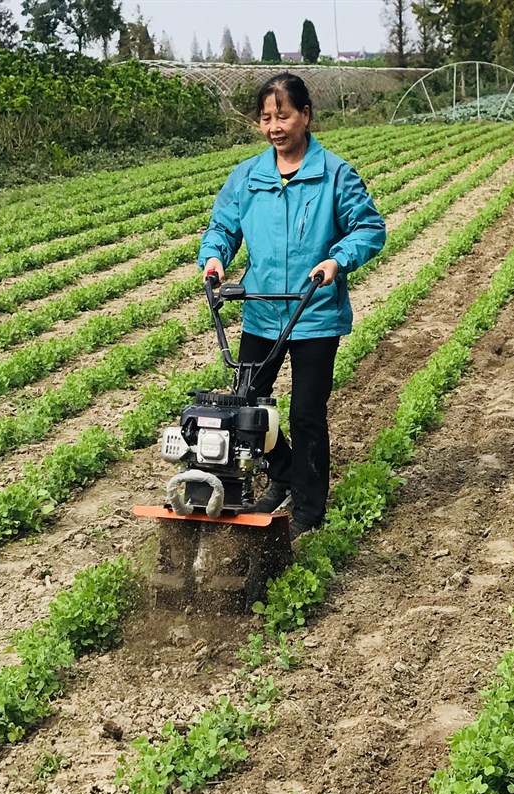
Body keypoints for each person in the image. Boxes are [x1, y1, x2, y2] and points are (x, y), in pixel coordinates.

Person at [197, 72, 386, 538]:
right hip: (262, 310)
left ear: (305, 115)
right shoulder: (248, 177)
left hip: (313, 311)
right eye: (266, 118)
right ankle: (281, 474)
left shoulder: (335, 174)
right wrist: (215, 256)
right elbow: (222, 227)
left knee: (305, 414)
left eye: (282, 116)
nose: (274, 127)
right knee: (248, 406)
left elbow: (369, 228)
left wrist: (337, 260)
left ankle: (307, 508)